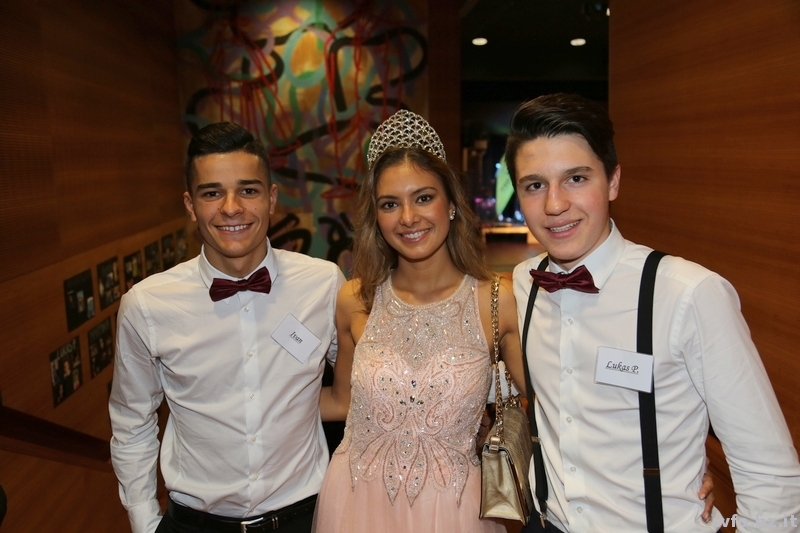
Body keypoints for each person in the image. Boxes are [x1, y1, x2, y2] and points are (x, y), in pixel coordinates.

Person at [506, 93, 800, 532]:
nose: (554, 204)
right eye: (535, 185)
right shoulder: (523, 284)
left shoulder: (689, 294)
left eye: (576, 178)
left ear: (613, 182)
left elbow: (768, 471)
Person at [109, 122, 345, 533]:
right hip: (194, 524)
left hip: (305, 518)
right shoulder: (146, 305)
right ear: (190, 204)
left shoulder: (324, 284)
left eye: (248, 190)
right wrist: (145, 522)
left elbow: (366, 387)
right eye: (212, 193)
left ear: (272, 199)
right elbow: (132, 421)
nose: (231, 208)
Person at [312, 109, 526, 532]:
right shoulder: (355, 299)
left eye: (424, 197)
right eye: (390, 204)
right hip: (355, 504)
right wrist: (247, 406)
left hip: (453, 511)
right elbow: (342, 402)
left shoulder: (496, 301)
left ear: (451, 204)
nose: (408, 217)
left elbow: (549, 406)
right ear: (377, 218)